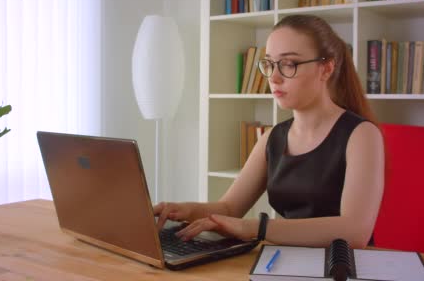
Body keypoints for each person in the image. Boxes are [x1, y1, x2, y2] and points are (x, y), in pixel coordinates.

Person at [154, 14, 384, 249]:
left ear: (325, 69)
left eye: (288, 64)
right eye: (269, 64)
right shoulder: (272, 138)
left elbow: (355, 232)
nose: (273, 78)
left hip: (344, 267)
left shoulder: (361, 135)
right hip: (288, 263)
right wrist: (186, 210)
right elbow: (229, 209)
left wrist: (257, 228)